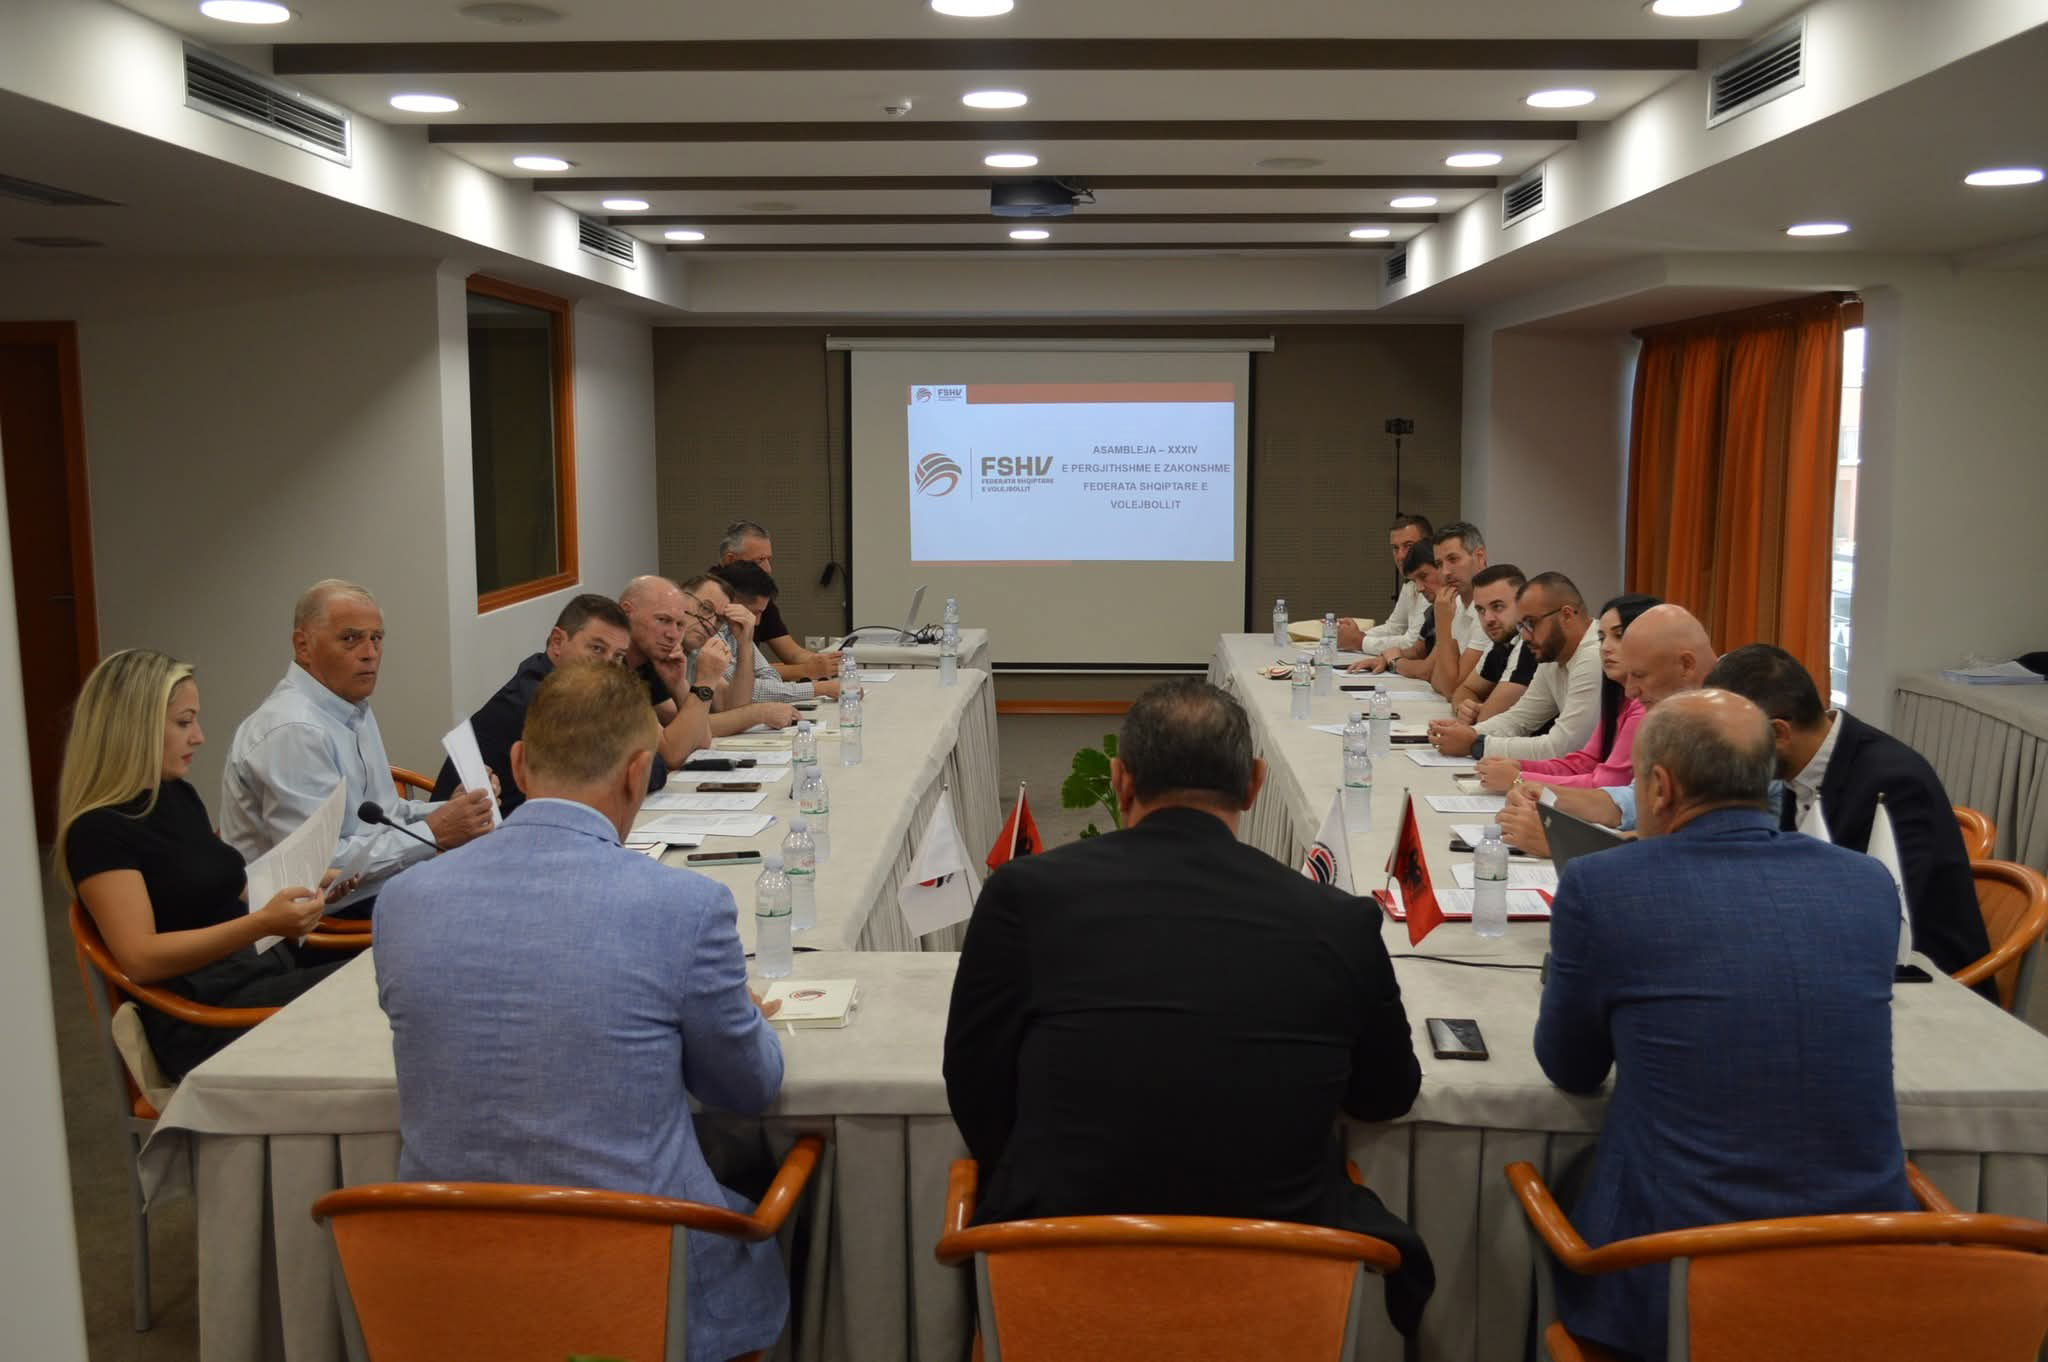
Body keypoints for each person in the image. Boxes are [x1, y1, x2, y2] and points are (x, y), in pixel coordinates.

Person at [943, 678, 1435, 1333]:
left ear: (1120, 780)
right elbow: (1385, 1094)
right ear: (1254, 784)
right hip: (1277, 1295)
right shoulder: (1338, 920)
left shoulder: (1023, 895)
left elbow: (976, 1083)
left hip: (1057, 1275)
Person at [375, 661, 789, 1362]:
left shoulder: (405, 900)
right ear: (638, 773)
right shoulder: (687, 907)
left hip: (449, 1289)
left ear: (518, 764)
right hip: (636, 1286)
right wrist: (739, 1015)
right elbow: (749, 1088)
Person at [1535, 689, 1914, 1362]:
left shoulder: (1602, 885)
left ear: (1659, 787)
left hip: (1675, 1277)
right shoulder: (1866, 884)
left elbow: (1571, 1067)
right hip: (1869, 1265)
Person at [56, 650, 346, 1078]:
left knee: (395, 961)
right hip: (202, 1015)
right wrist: (262, 924)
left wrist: (306, 879)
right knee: (383, 986)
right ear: (134, 729)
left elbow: (223, 887)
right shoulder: (97, 832)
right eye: (183, 722)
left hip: (256, 971)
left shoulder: (175, 794)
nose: (199, 737)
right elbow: (140, 958)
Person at [1704, 643, 1993, 983]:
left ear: (1779, 733)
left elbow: (1881, 915)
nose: (1721, 756)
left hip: (1922, 982)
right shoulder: (1801, 766)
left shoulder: (1895, 782)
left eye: (1725, 741)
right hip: (1831, 957)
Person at [222, 580, 494, 917]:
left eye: (376, 638)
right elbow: (319, 869)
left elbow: (384, 816)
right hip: (322, 916)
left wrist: (454, 811)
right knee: (484, 905)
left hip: (375, 886)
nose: (369, 653)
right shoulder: (294, 731)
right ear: (303, 646)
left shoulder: (350, 704)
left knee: (499, 876)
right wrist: (434, 830)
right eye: (350, 639)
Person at [1498, 603, 1717, 853]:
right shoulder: (1676, 708)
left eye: (1640, 675)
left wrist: (1565, 844)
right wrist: (1546, 794)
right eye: (1601, 637)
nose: (1630, 691)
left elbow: (1703, 843)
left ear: (1686, 665)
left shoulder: (1733, 715)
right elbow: (1634, 801)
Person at [430, 594, 670, 815]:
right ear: (557, 642)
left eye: (617, 657)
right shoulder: (542, 702)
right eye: (597, 649)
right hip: (475, 838)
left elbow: (647, 765)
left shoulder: (576, 691)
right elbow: (627, 777)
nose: (608, 666)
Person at [1475, 593, 1659, 793]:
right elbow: (1583, 763)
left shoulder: (1645, 706)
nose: (1605, 647)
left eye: (1619, 636)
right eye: (1601, 638)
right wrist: (1519, 766)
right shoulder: (1619, 698)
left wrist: (1519, 779)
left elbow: (1607, 785)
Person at [1429, 572, 1602, 762]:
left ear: (1566, 616)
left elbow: (1564, 748)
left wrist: (1476, 744)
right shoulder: (1554, 654)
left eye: (1531, 623)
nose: (1525, 636)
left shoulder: (1594, 655)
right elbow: (1519, 719)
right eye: (1521, 626)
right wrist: (1466, 733)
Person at [676, 573, 800, 735]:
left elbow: (731, 707)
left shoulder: (694, 652)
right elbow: (683, 728)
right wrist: (759, 714)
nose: (710, 624)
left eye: (719, 620)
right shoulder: (656, 654)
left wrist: (745, 643)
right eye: (706, 608)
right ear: (679, 600)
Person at [715, 520, 837, 682]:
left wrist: (826, 663)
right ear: (730, 560)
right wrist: (807, 671)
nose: (768, 569)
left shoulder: (757, 594)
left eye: (768, 559)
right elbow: (732, 672)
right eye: (759, 560)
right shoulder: (711, 598)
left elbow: (789, 654)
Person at [618, 574, 719, 767]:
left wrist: (678, 684)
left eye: (680, 625)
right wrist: (706, 682)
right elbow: (671, 755)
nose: (673, 635)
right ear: (626, 612)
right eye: (662, 620)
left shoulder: (647, 662)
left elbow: (701, 740)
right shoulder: (610, 668)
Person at [710, 561, 841, 703]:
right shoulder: (709, 633)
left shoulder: (735, 628)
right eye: (755, 612)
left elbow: (770, 675)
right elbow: (750, 691)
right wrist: (819, 688)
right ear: (729, 603)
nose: (757, 622)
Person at [1449, 564, 1536, 724]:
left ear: (1523, 603)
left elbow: (1488, 717)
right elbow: (1464, 689)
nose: (1488, 619)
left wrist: (1475, 714)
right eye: (1481, 610)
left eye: (1497, 607)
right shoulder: (1501, 642)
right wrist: (1463, 708)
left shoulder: (1531, 644)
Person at [1349, 539, 1445, 677]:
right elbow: (1417, 651)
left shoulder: (1455, 607)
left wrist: (1395, 662)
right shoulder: (1435, 609)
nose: (1419, 588)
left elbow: (1427, 671)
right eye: (1414, 581)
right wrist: (1384, 658)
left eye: (1423, 576)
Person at [1343, 513, 1433, 654]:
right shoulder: (1410, 584)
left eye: (1408, 546)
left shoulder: (1433, 586)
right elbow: (1395, 627)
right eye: (1395, 548)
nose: (1400, 556)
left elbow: (1413, 644)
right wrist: (1353, 635)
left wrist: (1360, 641)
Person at [1422, 522, 1489, 698]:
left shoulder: (1490, 613)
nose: (1445, 572)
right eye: (1439, 564)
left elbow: (1452, 690)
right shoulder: (1456, 604)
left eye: (1453, 559)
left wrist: (1443, 624)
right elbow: (1436, 680)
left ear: (1479, 557)